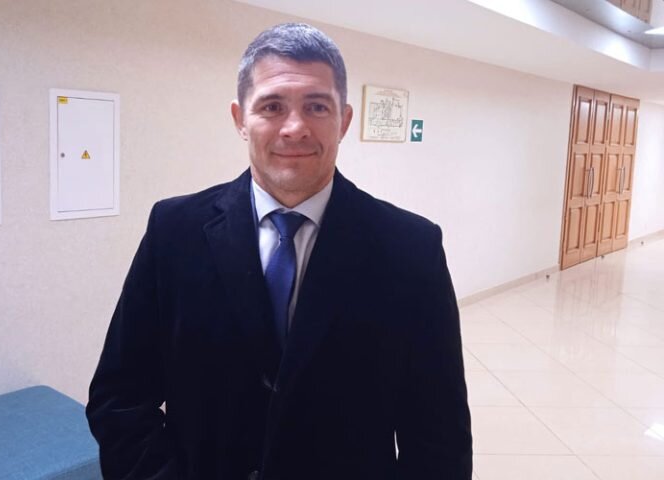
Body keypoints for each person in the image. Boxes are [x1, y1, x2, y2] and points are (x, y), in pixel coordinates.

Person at [86, 22, 472, 480]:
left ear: (344, 121)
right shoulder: (174, 231)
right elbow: (120, 397)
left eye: (317, 106)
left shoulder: (411, 249)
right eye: (272, 106)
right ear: (240, 119)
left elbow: (438, 433)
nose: (295, 128)